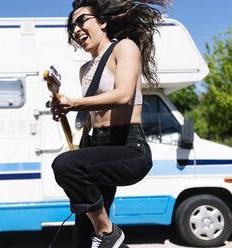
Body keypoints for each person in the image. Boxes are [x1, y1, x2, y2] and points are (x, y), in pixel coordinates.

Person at [50, 0, 171, 247]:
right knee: (83, 238)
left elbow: (124, 95)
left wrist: (73, 103)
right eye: (72, 27)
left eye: (82, 21)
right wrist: (67, 116)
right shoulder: (85, 69)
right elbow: (93, 118)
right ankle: (110, 239)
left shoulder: (124, 48)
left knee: (64, 166)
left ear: (103, 22)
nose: (76, 30)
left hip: (128, 147)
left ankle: (108, 231)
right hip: (98, 147)